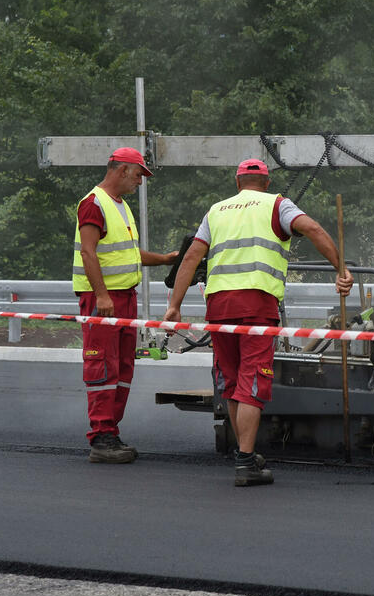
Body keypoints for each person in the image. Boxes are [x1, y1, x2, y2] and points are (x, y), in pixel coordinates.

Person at [164, 159, 353, 487]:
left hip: (218, 306)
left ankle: (244, 453)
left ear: (237, 183)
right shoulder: (277, 204)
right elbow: (313, 229)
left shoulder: (217, 210)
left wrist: (174, 306)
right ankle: (246, 463)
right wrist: (341, 270)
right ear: (265, 183)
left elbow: (192, 257)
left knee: (234, 384)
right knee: (252, 383)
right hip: (256, 305)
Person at [74, 147, 178, 464]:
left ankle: (110, 432)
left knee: (121, 369)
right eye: (138, 175)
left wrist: (164, 259)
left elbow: (129, 254)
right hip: (103, 299)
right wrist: (102, 295)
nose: (140, 182)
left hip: (123, 297)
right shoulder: (94, 204)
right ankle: (101, 437)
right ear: (121, 171)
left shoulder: (119, 207)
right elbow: (89, 253)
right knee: (102, 366)